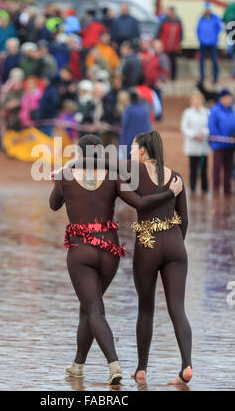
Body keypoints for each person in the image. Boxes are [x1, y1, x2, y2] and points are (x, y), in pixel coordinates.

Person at [49, 134, 183, 384]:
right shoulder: (113, 178)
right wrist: (170, 193)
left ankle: (114, 364)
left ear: (78, 155)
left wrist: (64, 173)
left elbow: (53, 205)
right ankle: (78, 365)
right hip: (110, 251)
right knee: (88, 308)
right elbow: (140, 202)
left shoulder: (66, 177)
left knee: (94, 309)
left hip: (81, 251)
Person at [126, 130, 192, 385]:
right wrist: (175, 242)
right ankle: (186, 365)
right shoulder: (176, 176)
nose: (130, 152)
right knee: (178, 308)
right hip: (176, 244)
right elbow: (184, 219)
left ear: (142, 150)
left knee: (145, 308)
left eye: (132, 148)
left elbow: (137, 201)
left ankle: (141, 369)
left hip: (148, 244)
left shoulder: (135, 173)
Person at [181, 91, 210, 194]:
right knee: (193, 168)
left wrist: (204, 134)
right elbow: (184, 127)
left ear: (202, 100)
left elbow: (209, 126)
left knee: (204, 169)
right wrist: (194, 135)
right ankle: (192, 188)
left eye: (198, 99)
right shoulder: (187, 112)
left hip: (203, 145)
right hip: (192, 145)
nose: (197, 102)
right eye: (194, 100)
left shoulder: (207, 112)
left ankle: (205, 188)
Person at [208, 89, 235, 194]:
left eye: (230, 97)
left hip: (231, 145)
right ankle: (215, 189)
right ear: (221, 98)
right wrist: (223, 138)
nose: (230, 99)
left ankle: (227, 190)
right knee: (217, 168)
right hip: (218, 145)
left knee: (229, 168)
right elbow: (212, 127)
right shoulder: (215, 110)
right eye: (227, 97)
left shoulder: (231, 110)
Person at [119, 89, 152, 159]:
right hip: (143, 143)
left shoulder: (128, 110)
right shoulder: (144, 109)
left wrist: (122, 145)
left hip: (130, 143)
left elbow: (124, 128)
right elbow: (148, 127)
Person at [197, 2, 222, 84]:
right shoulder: (201, 19)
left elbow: (219, 28)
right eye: (206, 9)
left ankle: (215, 78)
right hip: (203, 43)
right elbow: (198, 29)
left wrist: (214, 36)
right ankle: (202, 78)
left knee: (214, 61)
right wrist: (201, 38)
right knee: (201, 62)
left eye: (208, 9)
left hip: (212, 43)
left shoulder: (215, 18)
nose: (207, 11)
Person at [158, 6, 183, 81]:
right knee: (164, 62)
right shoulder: (164, 21)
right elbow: (159, 33)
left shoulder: (178, 21)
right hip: (165, 46)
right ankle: (164, 77)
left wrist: (178, 43)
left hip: (174, 46)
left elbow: (181, 34)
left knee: (173, 62)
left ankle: (173, 77)